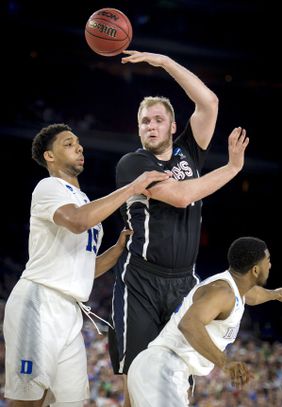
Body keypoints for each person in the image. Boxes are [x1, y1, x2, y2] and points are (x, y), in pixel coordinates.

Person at [108, 50, 249, 405]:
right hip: (140, 280)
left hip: (184, 281)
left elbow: (209, 102)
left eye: (158, 120)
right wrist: (231, 169)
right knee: (138, 380)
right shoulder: (133, 164)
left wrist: (165, 63)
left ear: (173, 127)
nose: (150, 126)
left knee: (178, 380)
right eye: (144, 121)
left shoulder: (189, 151)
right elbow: (182, 196)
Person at [3, 123, 170, 407]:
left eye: (78, 143)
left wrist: (117, 250)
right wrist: (132, 188)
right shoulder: (49, 187)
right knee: (29, 400)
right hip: (39, 303)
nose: (79, 147)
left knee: (71, 401)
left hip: (70, 310)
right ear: (49, 156)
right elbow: (78, 221)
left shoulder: (83, 199)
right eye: (68, 144)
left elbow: (85, 270)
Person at [127, 236, 282, 406]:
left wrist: (275, 294)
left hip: (165, 369)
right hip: (162, 368)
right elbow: (189, 324)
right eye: (267, 260)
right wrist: (226, 362)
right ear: (255, 270)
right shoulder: (223, 292)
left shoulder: (236, 290)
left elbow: (253, 295)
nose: (270, 265)